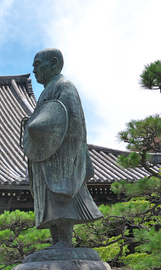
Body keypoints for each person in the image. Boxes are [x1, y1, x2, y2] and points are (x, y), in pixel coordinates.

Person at [22, 48, 102, 249]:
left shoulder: (64, 87)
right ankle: (57, 240)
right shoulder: (47, 91)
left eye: (38, 65)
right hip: (47, 156)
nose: (34, 71)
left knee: (61, 197)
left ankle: (66, 240)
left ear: (55, 63)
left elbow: (73, 123)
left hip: (62, 156)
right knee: (49, 200)